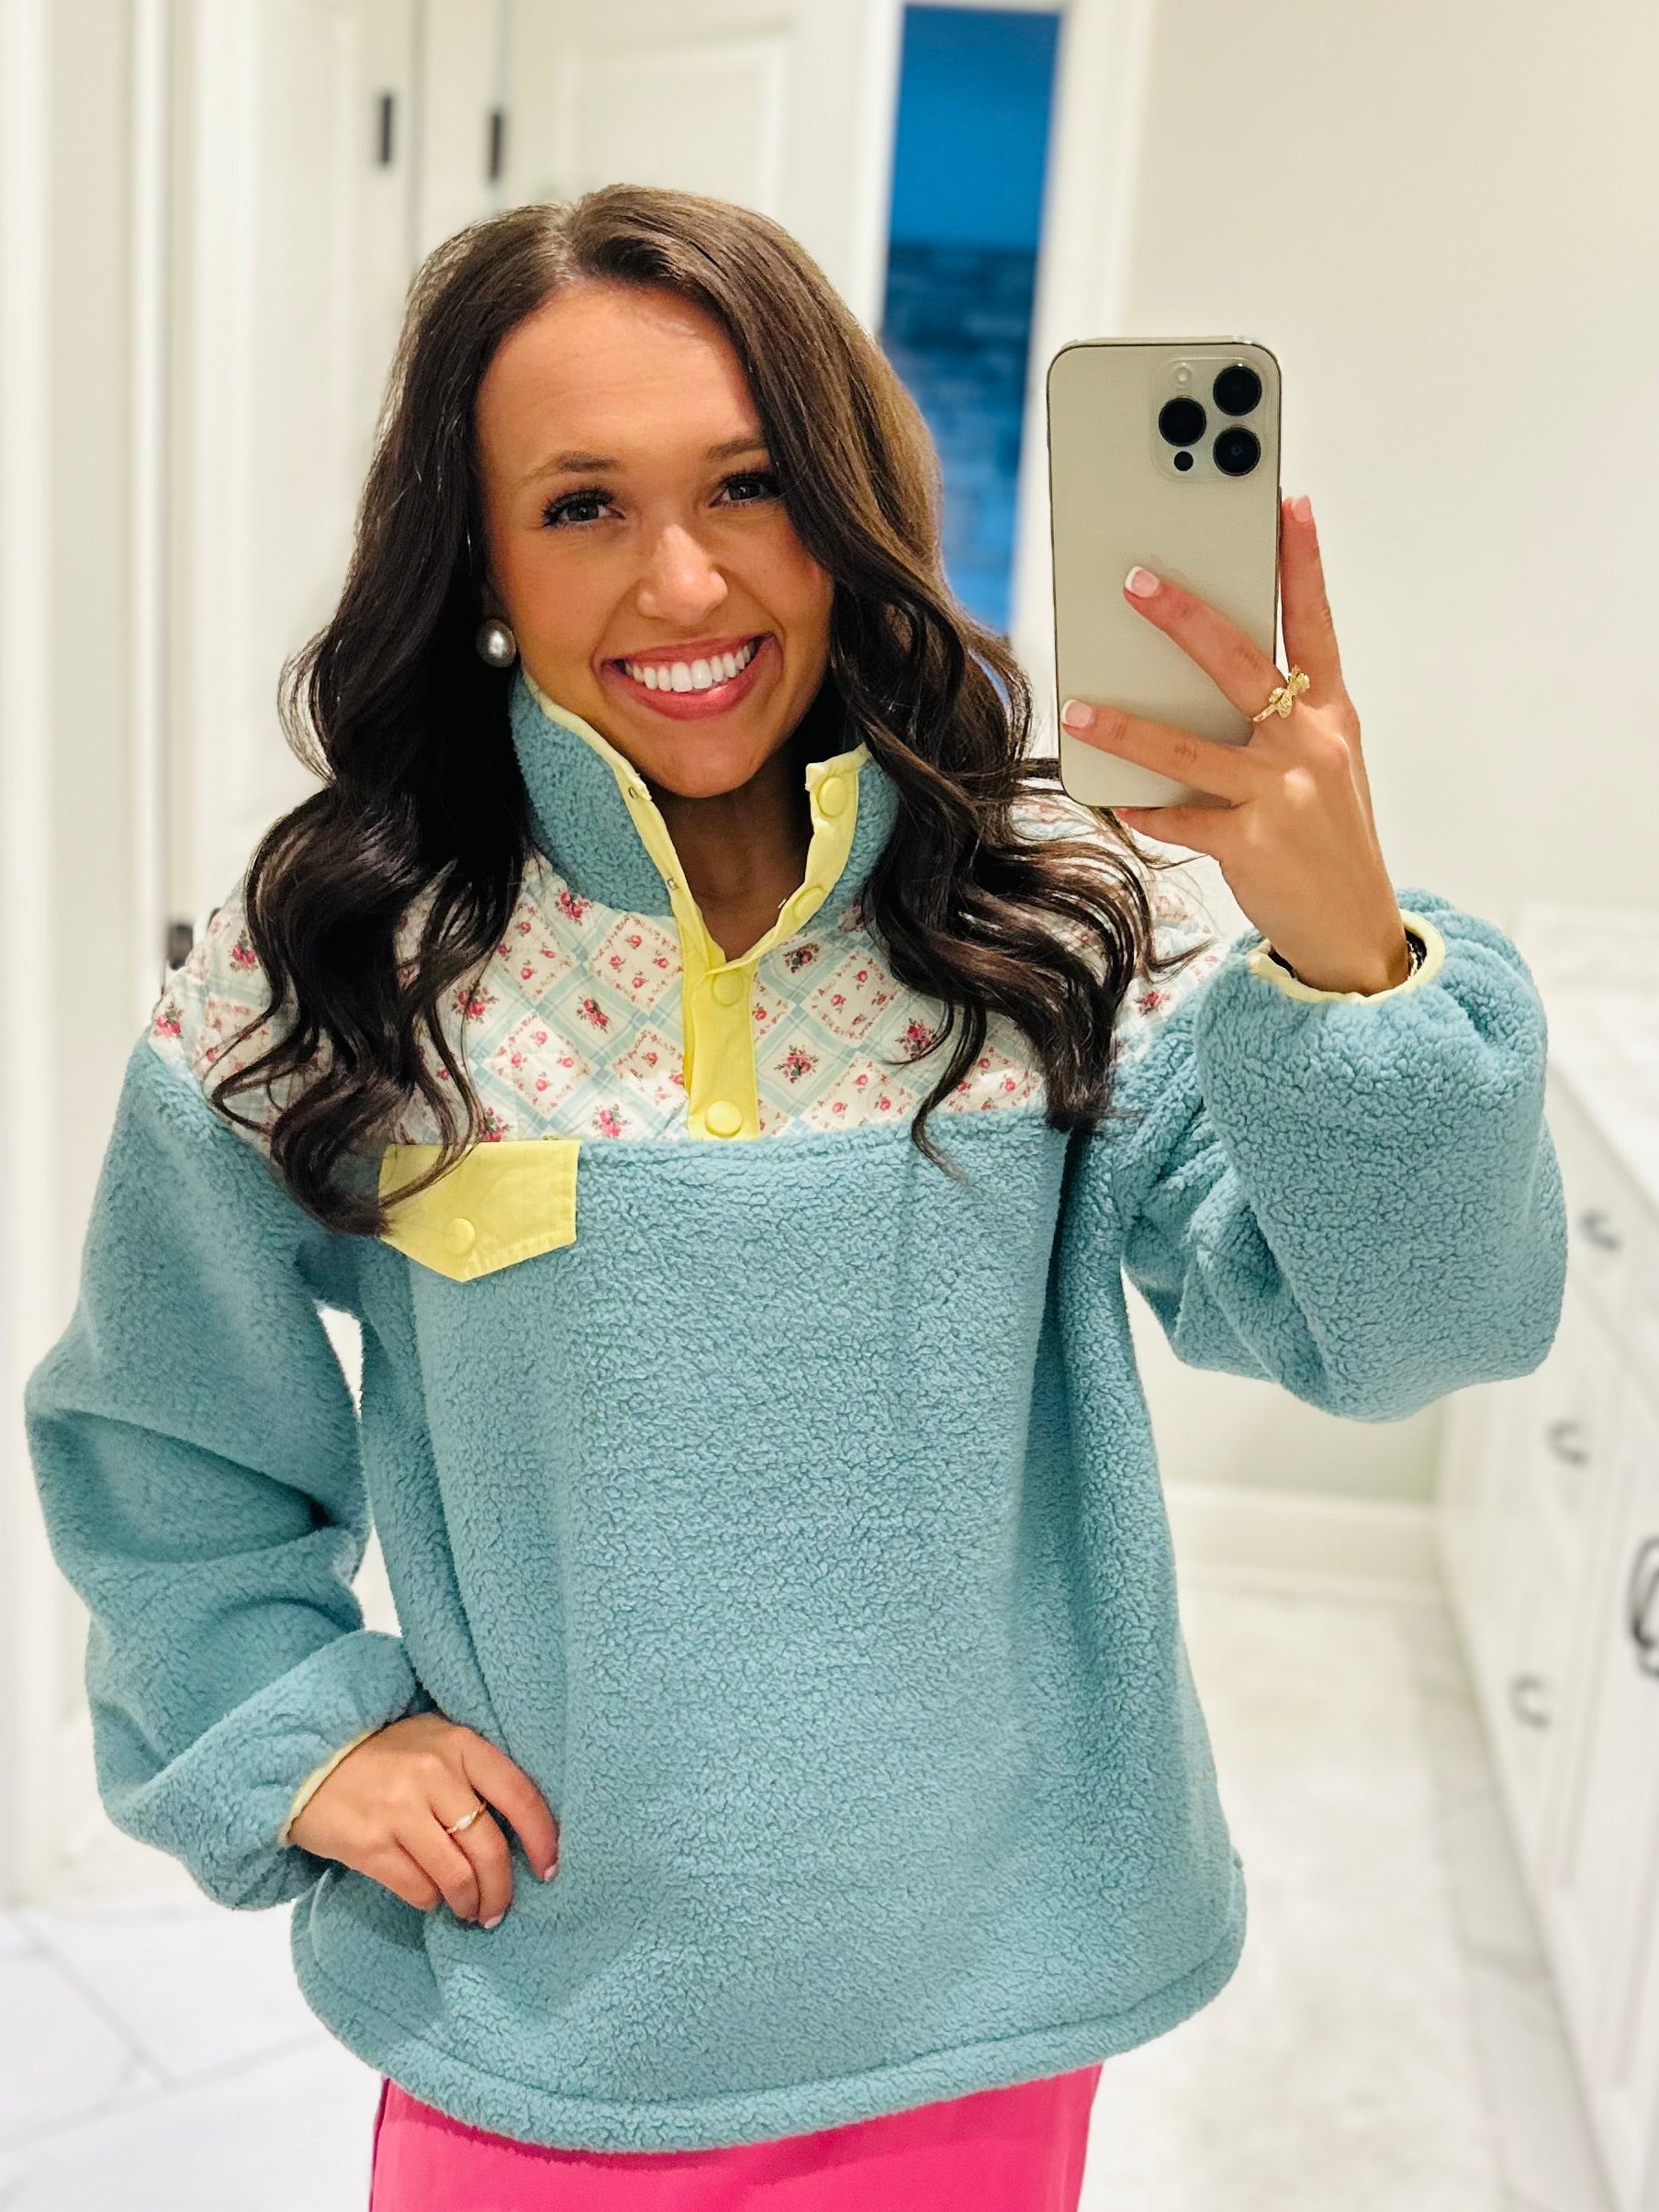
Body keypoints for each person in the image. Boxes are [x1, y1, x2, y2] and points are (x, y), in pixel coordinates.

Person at [25, 185, 1565, 2209]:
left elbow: (1411, 1333)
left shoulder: (1061, 920)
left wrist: (1349, 957)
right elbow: (164, 1431)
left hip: (991, 2003)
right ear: (476, 548)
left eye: (748, 485)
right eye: (583, 503)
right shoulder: (343, 949)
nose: (683, 579)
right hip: (546, 2021)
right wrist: (285, 1728)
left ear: (845, 505)